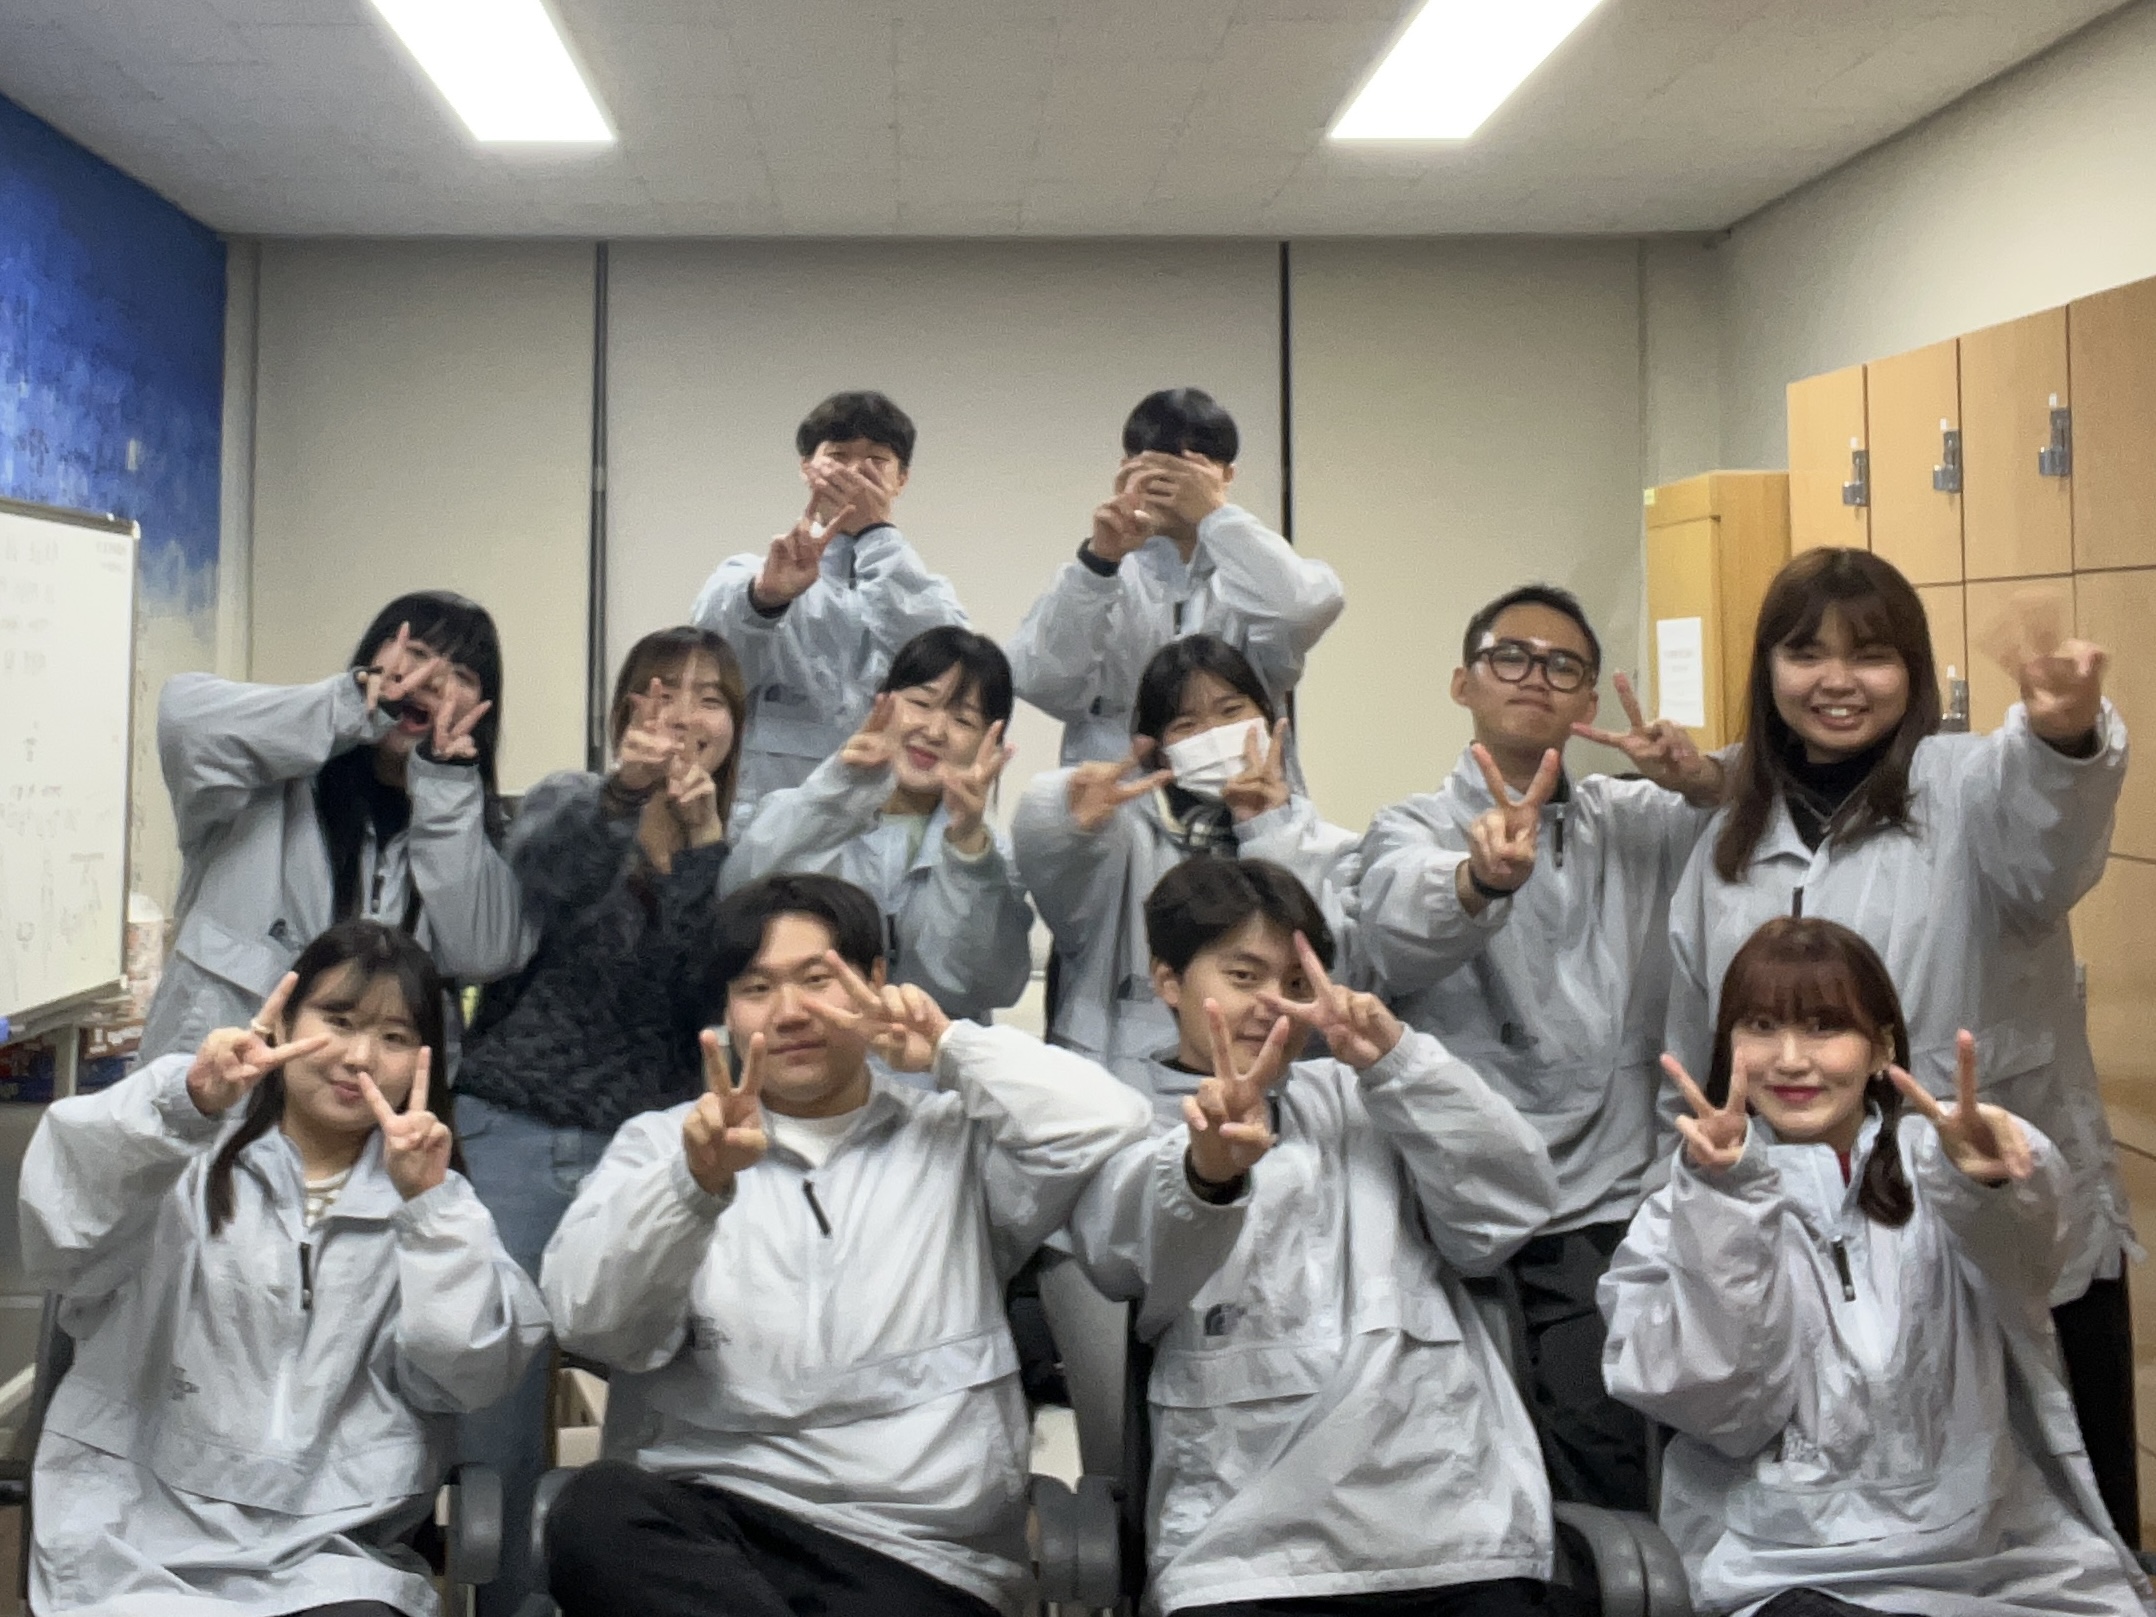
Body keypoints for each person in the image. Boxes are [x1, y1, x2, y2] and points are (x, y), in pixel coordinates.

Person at [1661, 548, 2139, 1542]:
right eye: (1806, 653)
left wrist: (2064, 736)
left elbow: (2050, 841)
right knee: (1859, 1517)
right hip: (1809, 1241)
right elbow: (1696, 1050)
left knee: (2047, 1515)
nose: (1836, 681)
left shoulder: (1968, 786)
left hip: (1992, 1220)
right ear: (1767, 668)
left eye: (1870, 655)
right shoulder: (1727, 840)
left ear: (1913, 672)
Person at [537, 873, 1153, 1617]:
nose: (789, 1011)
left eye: (817, 979)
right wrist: (693, 1188)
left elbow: (1110, 1122)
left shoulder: (956, 1136)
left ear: (876, 981)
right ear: (728, 1010)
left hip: (917, 1551)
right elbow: (592, 1322)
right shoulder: (666, 1146)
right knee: (595, 1512)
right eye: (756, 987)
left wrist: (950, 1047)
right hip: (716, 1527)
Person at [1603, 916, 2154, 1617]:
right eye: (1762, 1026)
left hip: (1998, 1556)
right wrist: (1729, 1204)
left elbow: (2028, 1257)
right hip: (1782, 1566)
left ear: (1881, 1048)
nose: (1791, 1059)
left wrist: (1993, 1182)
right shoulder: (1683, 1207)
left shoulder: (1944, 1166)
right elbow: (1722, 1409)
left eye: (1825, 1026)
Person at [1070, 856, 1564, 1617]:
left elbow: (1509, 1207)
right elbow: (1120, 1259)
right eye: (1244, 975)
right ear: (1168, 980)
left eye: (1297, 983)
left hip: (1449, 1531)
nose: (1273, 1004)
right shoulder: (1124, 1113)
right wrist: (1206, 1171)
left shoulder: (1370, 1095)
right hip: (1242, 1553)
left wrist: (1400, 1060)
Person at [20, 919, 548, 1616]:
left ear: (427, 1058)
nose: (360, 1056)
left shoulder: (433, 1208)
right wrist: (183, 1102)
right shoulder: (175, 1157)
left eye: (394, 1037)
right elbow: (65, 1229)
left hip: (333, 1554)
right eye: (339, 1020)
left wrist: (430, 1208)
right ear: (283, 1022)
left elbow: (466, 1371)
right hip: (135, 1534)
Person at [1356, 583, 1724, 1512]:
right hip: (1464, 1191)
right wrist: (1479, 879)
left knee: (1610, 1444)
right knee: (1460, 1456)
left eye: (1563, 667)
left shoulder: (1635, 818)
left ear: (1589, 702)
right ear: (1463, 682)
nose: (1534, 677)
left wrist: (1699, 777)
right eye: (1509, 656)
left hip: (1608, 1193)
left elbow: (1763, 806)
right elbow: (1396, 928)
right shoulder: (1410, 826)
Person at [450, 625, 748, 1616]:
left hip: (654, 1158)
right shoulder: (570, 800)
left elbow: (705, 996)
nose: (686, 715)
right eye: (664, 692)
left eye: (712, 698)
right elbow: (548, 878)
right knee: (498, 1401)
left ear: (735, 726)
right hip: (520, 1129)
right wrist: (624, 793)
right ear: (626, 710)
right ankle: (504, 1600)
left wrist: (703, 850)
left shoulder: (734, 845)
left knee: (657, 1399)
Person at [142, 590, 526, 1067]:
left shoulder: (472, 830)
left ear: (481, 711)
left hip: (369, 1099)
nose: (433, 679)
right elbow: (183, 718)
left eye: (462, 676)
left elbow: (486, 953)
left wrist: (446, 791)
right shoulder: (259, 788)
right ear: (373, 656)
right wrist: (351, 706)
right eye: (418, 653)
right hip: (222, 1091)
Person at [1012, 634, 1362, 1079]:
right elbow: (1047, 858)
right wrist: (1065, 813)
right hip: (1122, 1083)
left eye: (1231, 712)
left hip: (1268, 1086)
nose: (1213, 735)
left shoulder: (1328, 847)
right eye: (1186, 725)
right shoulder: (1123, 839)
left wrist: (1269, 831)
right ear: (1161, 751)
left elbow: (1333, 973)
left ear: (1270, 718)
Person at [1008, 387, 1343, 774]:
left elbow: (1302, 609)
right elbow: (1040, 683)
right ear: (1126, 469)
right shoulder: (1100, 575)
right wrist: (1098, 563)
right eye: (1156, 471)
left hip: (1248, 792)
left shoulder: (1253, 571)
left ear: (1227, 476)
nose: (1173, 488)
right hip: (1118, 799)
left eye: (1190, 473)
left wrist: (1216, 517)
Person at [724, 626, 1033, 1026]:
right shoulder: (805, 809)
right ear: (882, 700)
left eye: (962, 720)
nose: (933, 731)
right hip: (812, 1044)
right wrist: (836, 792)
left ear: (991, 742)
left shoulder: (992, 858)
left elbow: (980, 985)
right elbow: (738, 902)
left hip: (931, 1060)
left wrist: (968, 850)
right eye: (921, 703)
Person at [692, 391, 968, 819]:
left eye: (876, 460)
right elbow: (710, 671)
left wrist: (876, 533)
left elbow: (946, 669)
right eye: (838, 456)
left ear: (902, 479)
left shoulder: (926, 591)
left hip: (883, 823)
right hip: (769, 825)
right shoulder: (750, 574)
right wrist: (765, 601)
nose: (855, 471)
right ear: (807, 468)